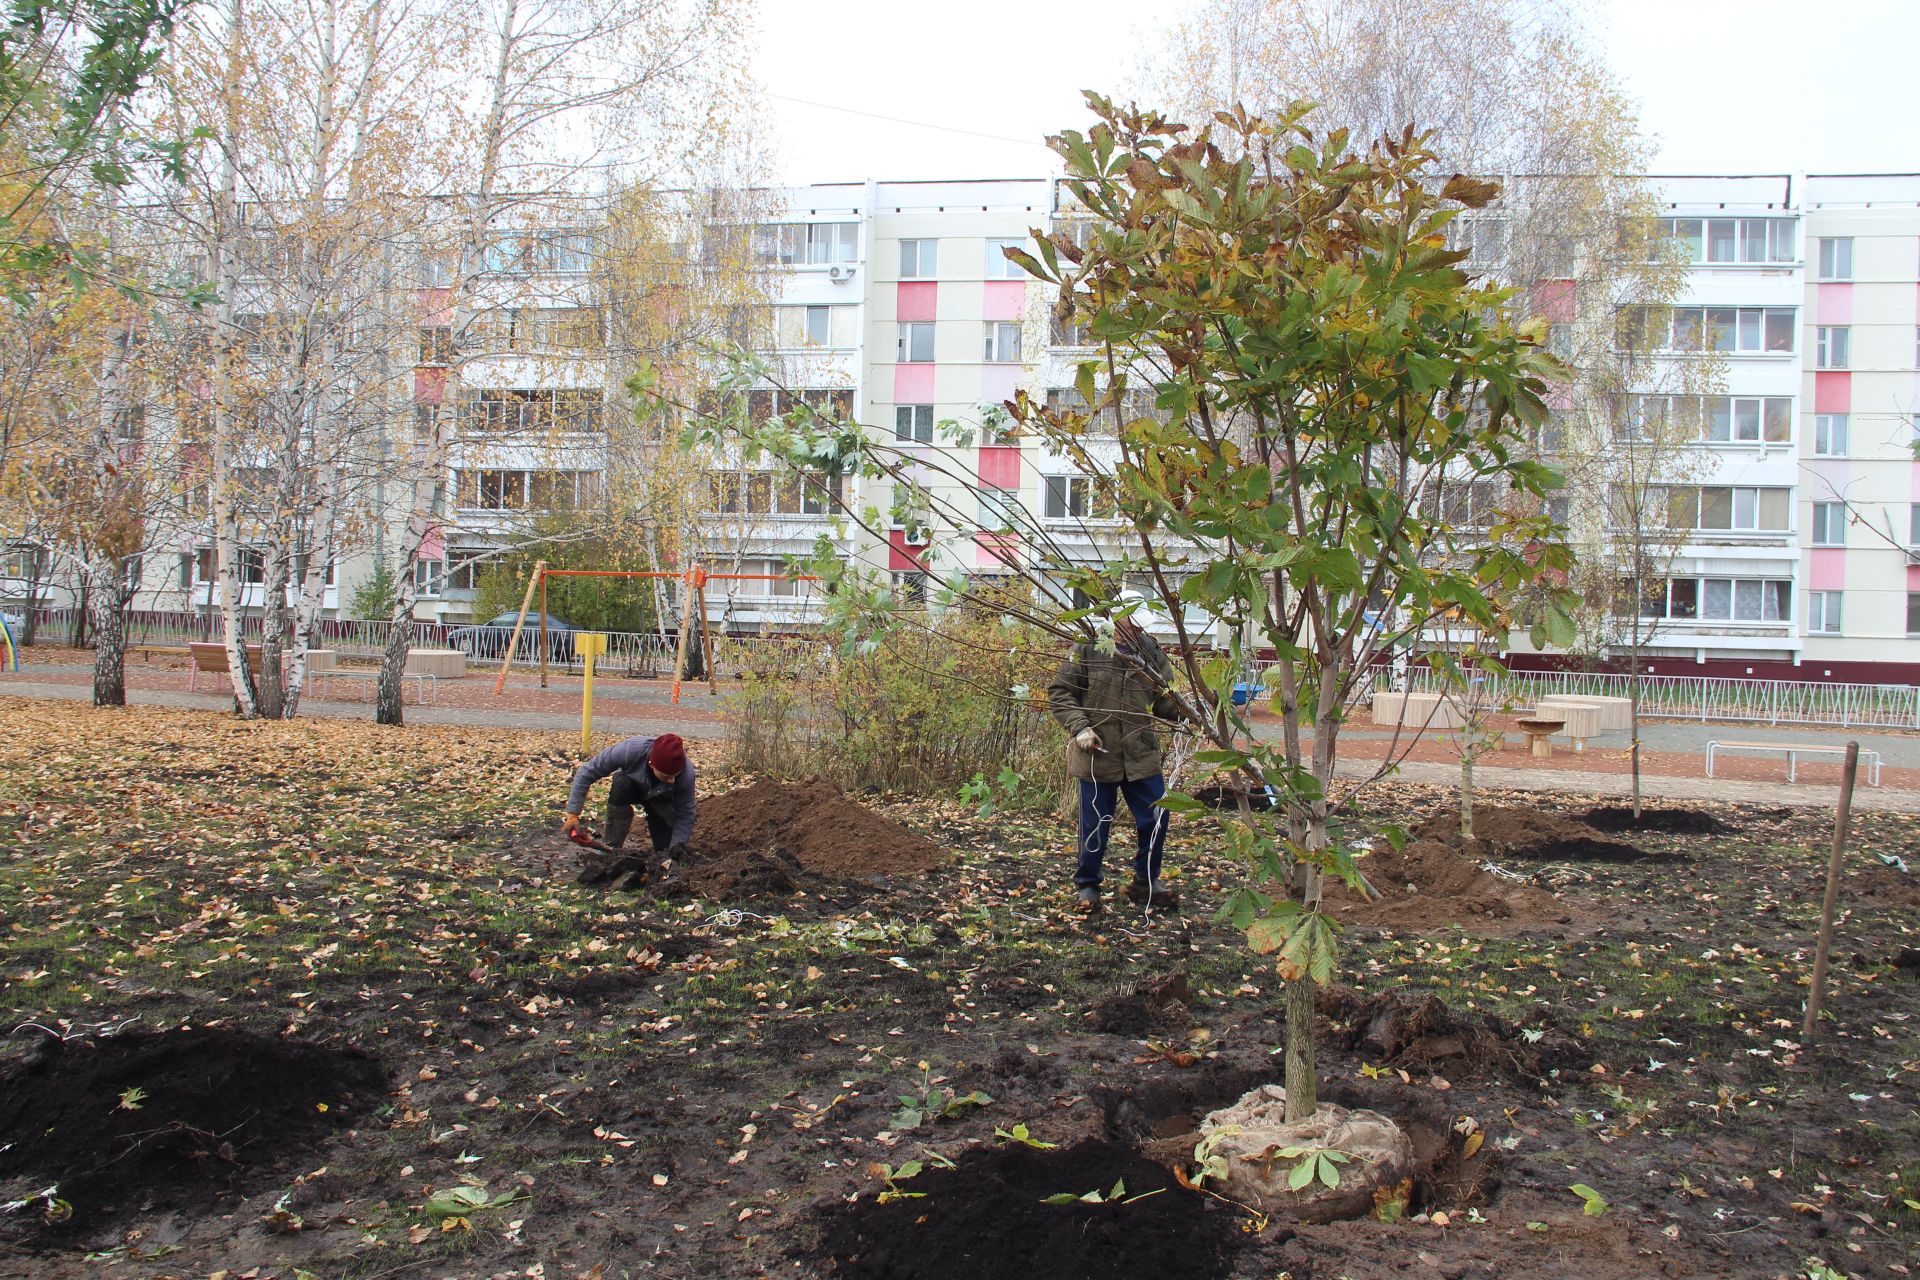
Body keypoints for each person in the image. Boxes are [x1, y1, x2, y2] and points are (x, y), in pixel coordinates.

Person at [1047, 589, 1184, 913]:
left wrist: (1192, 711)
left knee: (1156, 817)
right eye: (1133, 623)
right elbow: (1060, 693)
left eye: (1141, 624)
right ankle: (1088, 886)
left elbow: (1165, 699)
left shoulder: (1149, 651)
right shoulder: (1088, 647)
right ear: (1117, 617)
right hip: (1098, 754)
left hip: (1141, 754)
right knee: (1095, 824)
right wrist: (1080, 727)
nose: (1138, 629)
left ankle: (1145, 882)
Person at [562, 732, 695, 889]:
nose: (672, 780)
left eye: (675, 776)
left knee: (665, 851)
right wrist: (573, 815)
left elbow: (685, 813)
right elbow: (586, 773)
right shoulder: (631, 750)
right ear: (652, 764)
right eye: (667, 776)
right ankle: (610, 850)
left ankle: (663, 856)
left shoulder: (686, 774)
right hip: (631, 787)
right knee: (621, 784)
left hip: (662, 801)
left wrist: (676, 847)